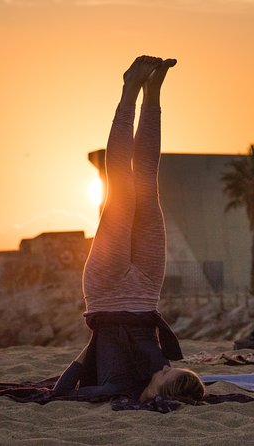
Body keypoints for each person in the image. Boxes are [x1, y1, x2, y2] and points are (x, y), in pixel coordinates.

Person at [52, 55, 205, 403]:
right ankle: (153, 94)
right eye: (171, 366)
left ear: (154, 395)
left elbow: (59, 396)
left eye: (165, 373)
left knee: (120, 185)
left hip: (106, 291)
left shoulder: (117, 386)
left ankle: (128, 91)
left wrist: (87, 350)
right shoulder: (159, 372)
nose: (163, 366)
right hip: (147, 293)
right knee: (147, 183)